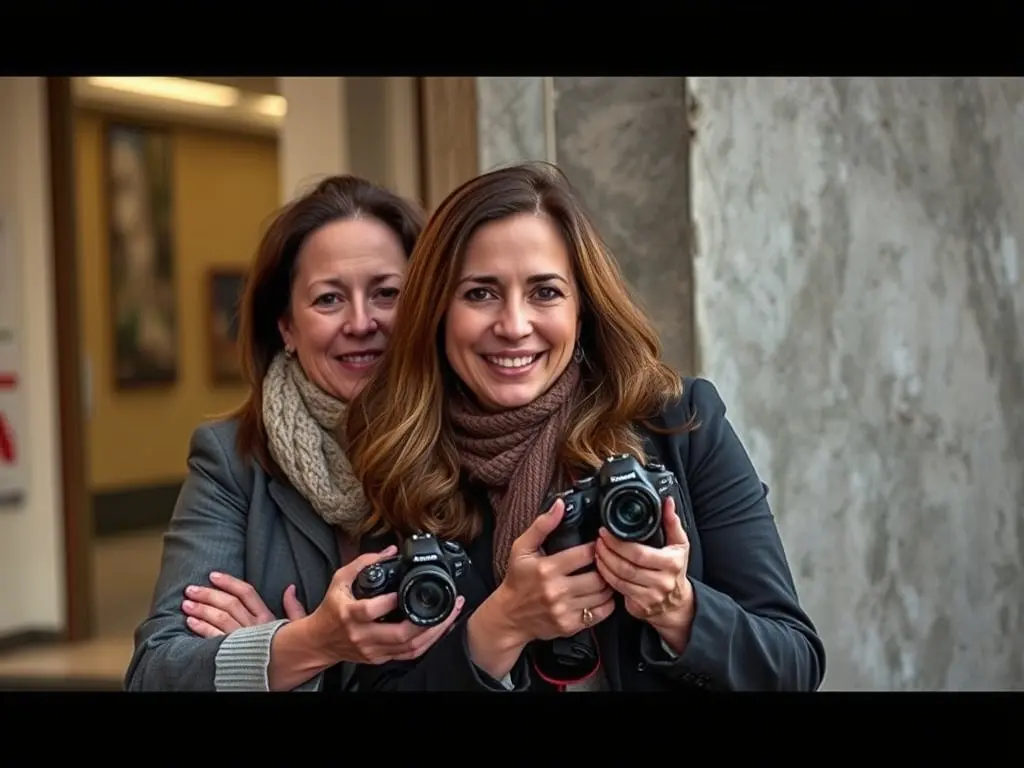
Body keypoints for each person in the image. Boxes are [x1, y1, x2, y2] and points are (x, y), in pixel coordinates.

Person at [343, 162, 826, 691]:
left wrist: (680, 610)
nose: (514, 325)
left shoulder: (678, 423)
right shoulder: (403, 452)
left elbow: (793, 665)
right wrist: (500, 628)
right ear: (437, 311)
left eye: (545, 292)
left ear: (582, 307)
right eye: (480, 293)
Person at [124, 175, 465, 692]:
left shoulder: (469, 440)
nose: (360, 321)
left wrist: (261, 657)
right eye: (328, 299)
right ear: (286, 326)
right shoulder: (231, 460)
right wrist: (310, 643)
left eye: (387, 293)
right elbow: (157, 673)